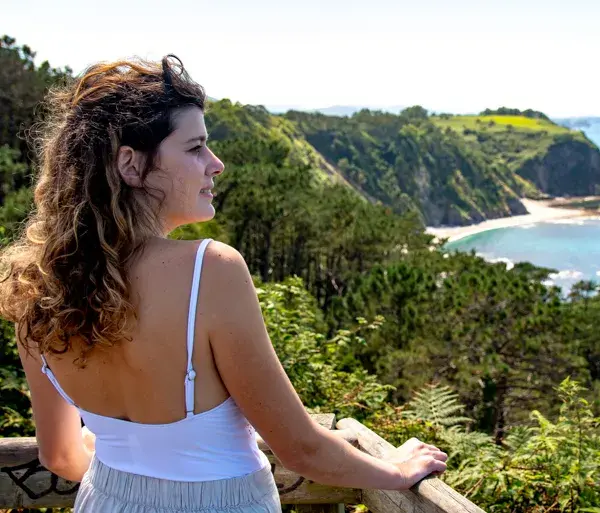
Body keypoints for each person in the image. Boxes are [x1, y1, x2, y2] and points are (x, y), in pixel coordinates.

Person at [0, 55, 447, 513]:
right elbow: (302, 450)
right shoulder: (209, 270)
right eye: (195, 148)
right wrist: (397, 471)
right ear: (131, 166)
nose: (217, 164)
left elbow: (59, 455)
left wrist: (133, 480)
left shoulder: (33, 287)